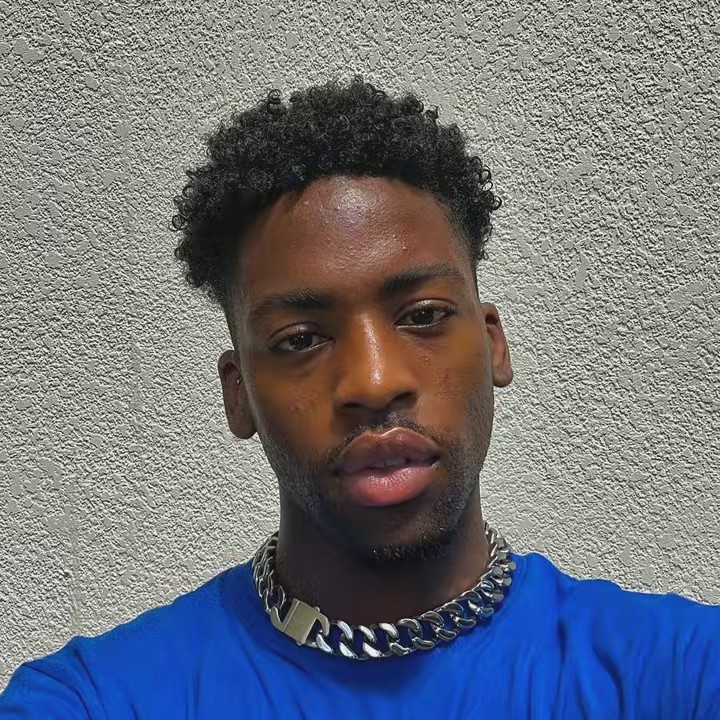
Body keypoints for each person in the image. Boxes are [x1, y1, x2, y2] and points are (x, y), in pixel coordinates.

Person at [1, 76, 718, 719]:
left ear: (493, 344)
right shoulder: (97, 699)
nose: (374, 382)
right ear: (239, 395)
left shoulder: (679, 675)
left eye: (424, 315)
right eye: (300, 339)